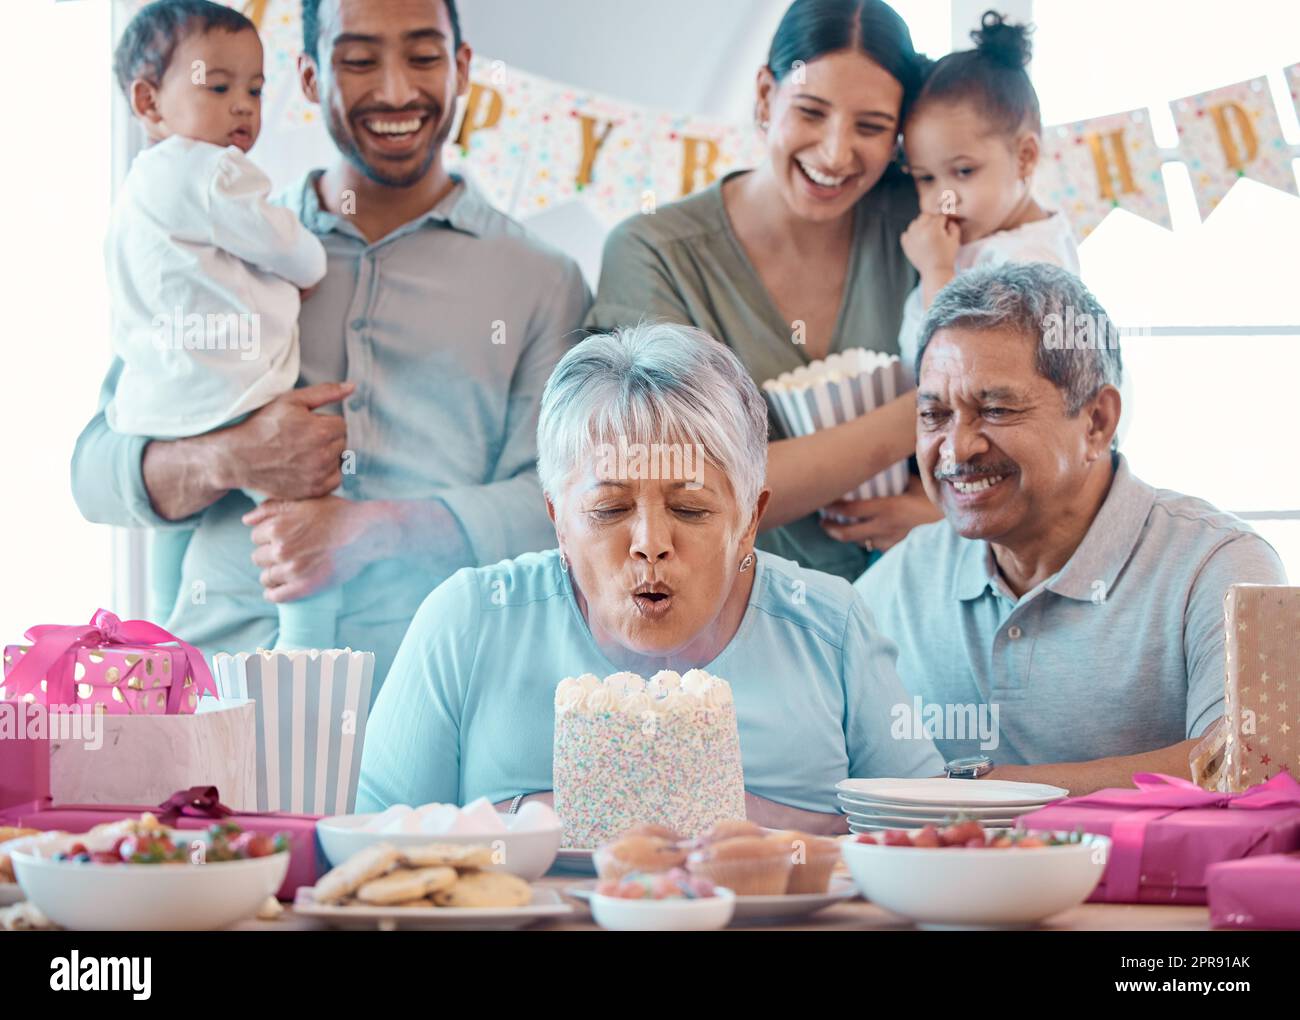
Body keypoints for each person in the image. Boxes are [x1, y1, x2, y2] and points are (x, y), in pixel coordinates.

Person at [72, 0, 590, 688]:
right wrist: (229, 457)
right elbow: (95, 473)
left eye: (424, 56)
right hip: (211, 700)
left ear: (462, 69)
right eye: (357, 60)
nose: (396, 90)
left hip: (432, 699)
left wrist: (375, 528)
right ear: (311, 79)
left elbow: (567, 505)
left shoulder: (542, 279)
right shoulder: (219, 238)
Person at [359, 323, 942, 833]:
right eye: (609, 510)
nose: (651, 545)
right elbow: (372, 840)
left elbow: (928, 837)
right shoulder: (469, 620)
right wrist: (538, 819)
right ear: (558, 520)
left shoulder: (829, 624)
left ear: (748, 520)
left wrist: (735, 818)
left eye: (690, 509)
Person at [855, 262, 1287, 795]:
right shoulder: (901, 577)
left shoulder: (1219, 565)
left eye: (994, 408)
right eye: (935, 415)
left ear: (1097, 421)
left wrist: (987, 789)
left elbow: (1250, 765)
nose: (958, 447)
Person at [586, 0, 943, 581]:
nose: (835, 152)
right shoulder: (654, 252)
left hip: (926, 607)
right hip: (737, 626)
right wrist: (932, 409)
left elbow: (1038, 409)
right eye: (810, 111)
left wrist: (946, 511)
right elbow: (683, 484)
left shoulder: (925, 225)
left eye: (871, 127)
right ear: (763, 96)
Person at [107, 0, 343, 650]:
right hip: (235, 393)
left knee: (173, 535)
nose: (243, 106)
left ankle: (153, 638)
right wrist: (306, 255)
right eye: (218, 87)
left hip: (161, 400)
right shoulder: (213, 173)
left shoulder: (138, 186)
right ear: (149, 102)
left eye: (255, 90)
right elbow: (299, 254)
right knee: (288, 509)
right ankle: (305, 644)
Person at [892, 10, 1079, 379]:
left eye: (964, 171)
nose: (944, 198)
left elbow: (966, 358)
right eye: (925, 178)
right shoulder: (990, 237)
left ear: (1025, 157)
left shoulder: (1029, 262)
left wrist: (936, 269)